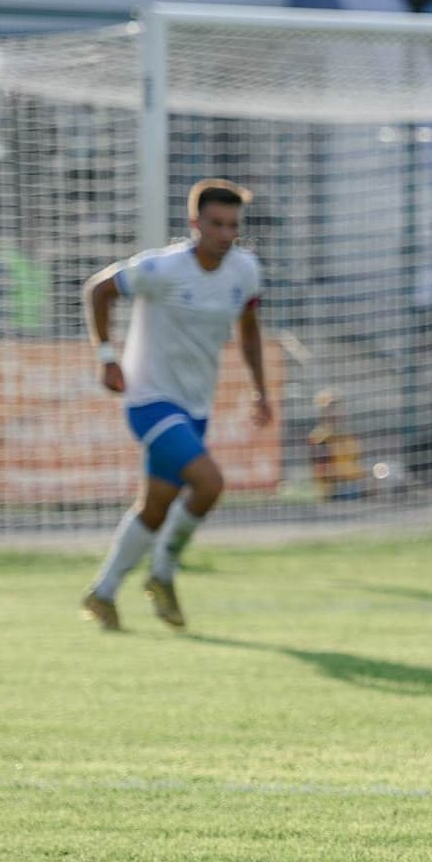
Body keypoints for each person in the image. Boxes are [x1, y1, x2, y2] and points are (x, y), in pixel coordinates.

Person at [80, 179, 272, 631]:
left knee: (156, 507)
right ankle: (163, 574)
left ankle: (103, 593)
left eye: (233, 226)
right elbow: (98, 290)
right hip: (149, 399)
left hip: (195, 406)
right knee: (209, 484)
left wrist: (260, 389)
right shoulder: (162, 269)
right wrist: (107, 357)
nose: (226, 234)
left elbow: (249, 329)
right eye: (216, 224)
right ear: (194, 224)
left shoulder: (245, 271)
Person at [309, 390, 366, 501]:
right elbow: (322, 469)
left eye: (339, 407)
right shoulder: (320, 437)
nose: (337, 412)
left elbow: (356, 460)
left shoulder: (348, 435)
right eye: (331, 409)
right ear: (323, 412)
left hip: (354, 486)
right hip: (335, 490)